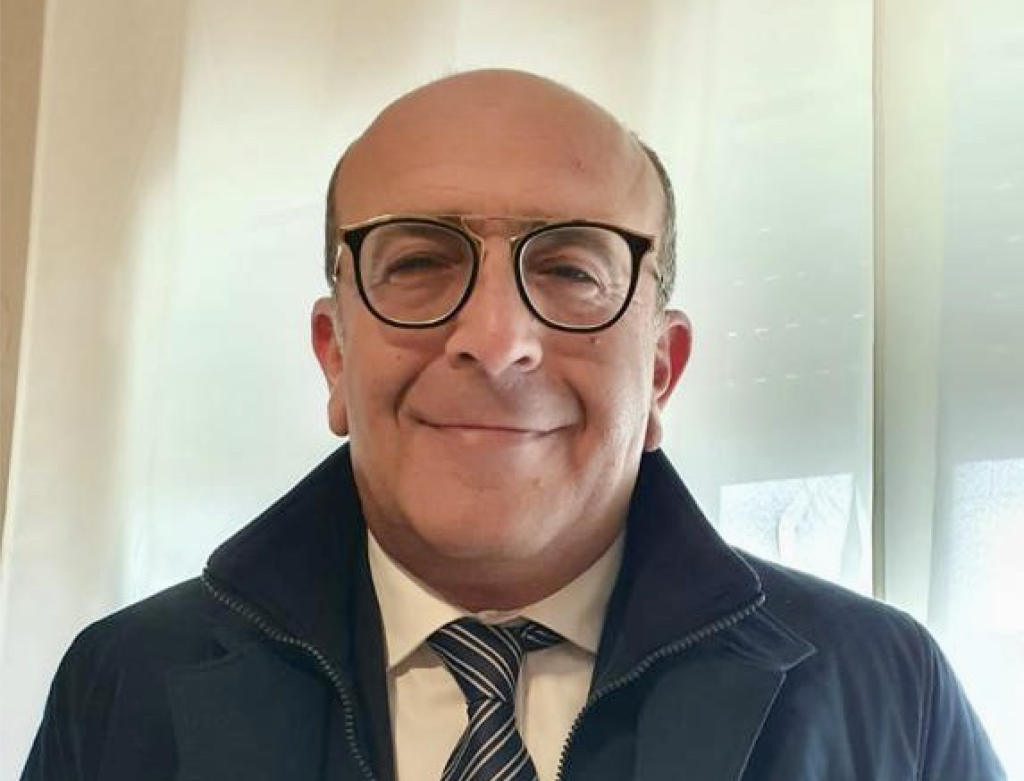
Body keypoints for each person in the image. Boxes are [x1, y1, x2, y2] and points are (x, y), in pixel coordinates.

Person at [22, 69, 1004, 781]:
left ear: (661, 371)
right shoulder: (123, 686)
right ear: (333, 357)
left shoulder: (889, 692)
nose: (495, 342)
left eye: (572, 269)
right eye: (418, 262)